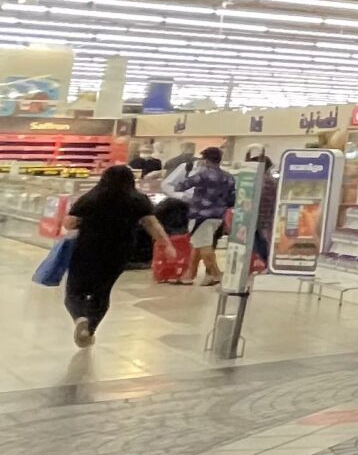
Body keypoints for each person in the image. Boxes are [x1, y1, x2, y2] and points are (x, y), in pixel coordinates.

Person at [59, 165, 173, 347]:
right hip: (119, 252)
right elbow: (152, 225)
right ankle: (90, 329)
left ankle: (80, 318)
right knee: (102, 292)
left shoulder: (91, 198)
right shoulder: (138, 200)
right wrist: (167, 245)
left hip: (87, 249)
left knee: (74, 291)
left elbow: (70, 223)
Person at [179, 146, 236, 285]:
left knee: (204, 246)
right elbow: (232, 199)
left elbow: (181, 186)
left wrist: (188, 172)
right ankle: (189, 275)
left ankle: (216, 274)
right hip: (218, 216)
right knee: (198, 244)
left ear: (205, 160)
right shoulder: (228, 177)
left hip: (200, 215)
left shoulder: (202, 175)